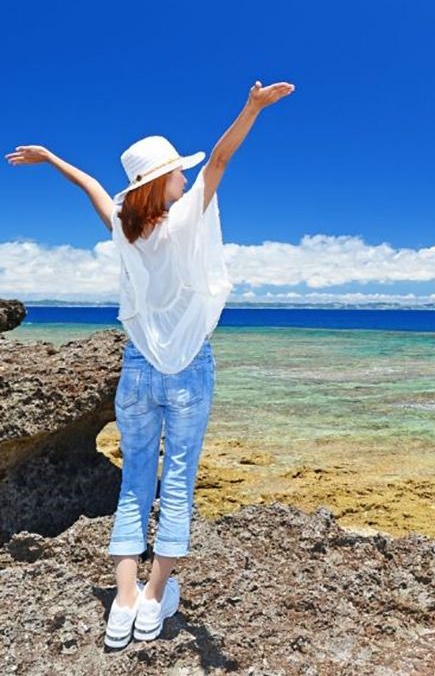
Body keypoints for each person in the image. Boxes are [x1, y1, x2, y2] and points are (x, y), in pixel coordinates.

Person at [4, 78, 295, 648]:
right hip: (188, 368)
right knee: (179, 482)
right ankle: (156, 598)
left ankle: (123, 601)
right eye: (177, 172)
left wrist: (50, 158)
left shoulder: (122, 226)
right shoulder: (185, 217)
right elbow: (221, 157)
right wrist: (252, 108)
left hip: (136, 370)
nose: (186, 176)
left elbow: (91, 185)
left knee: (135, 485)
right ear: (163, 180)